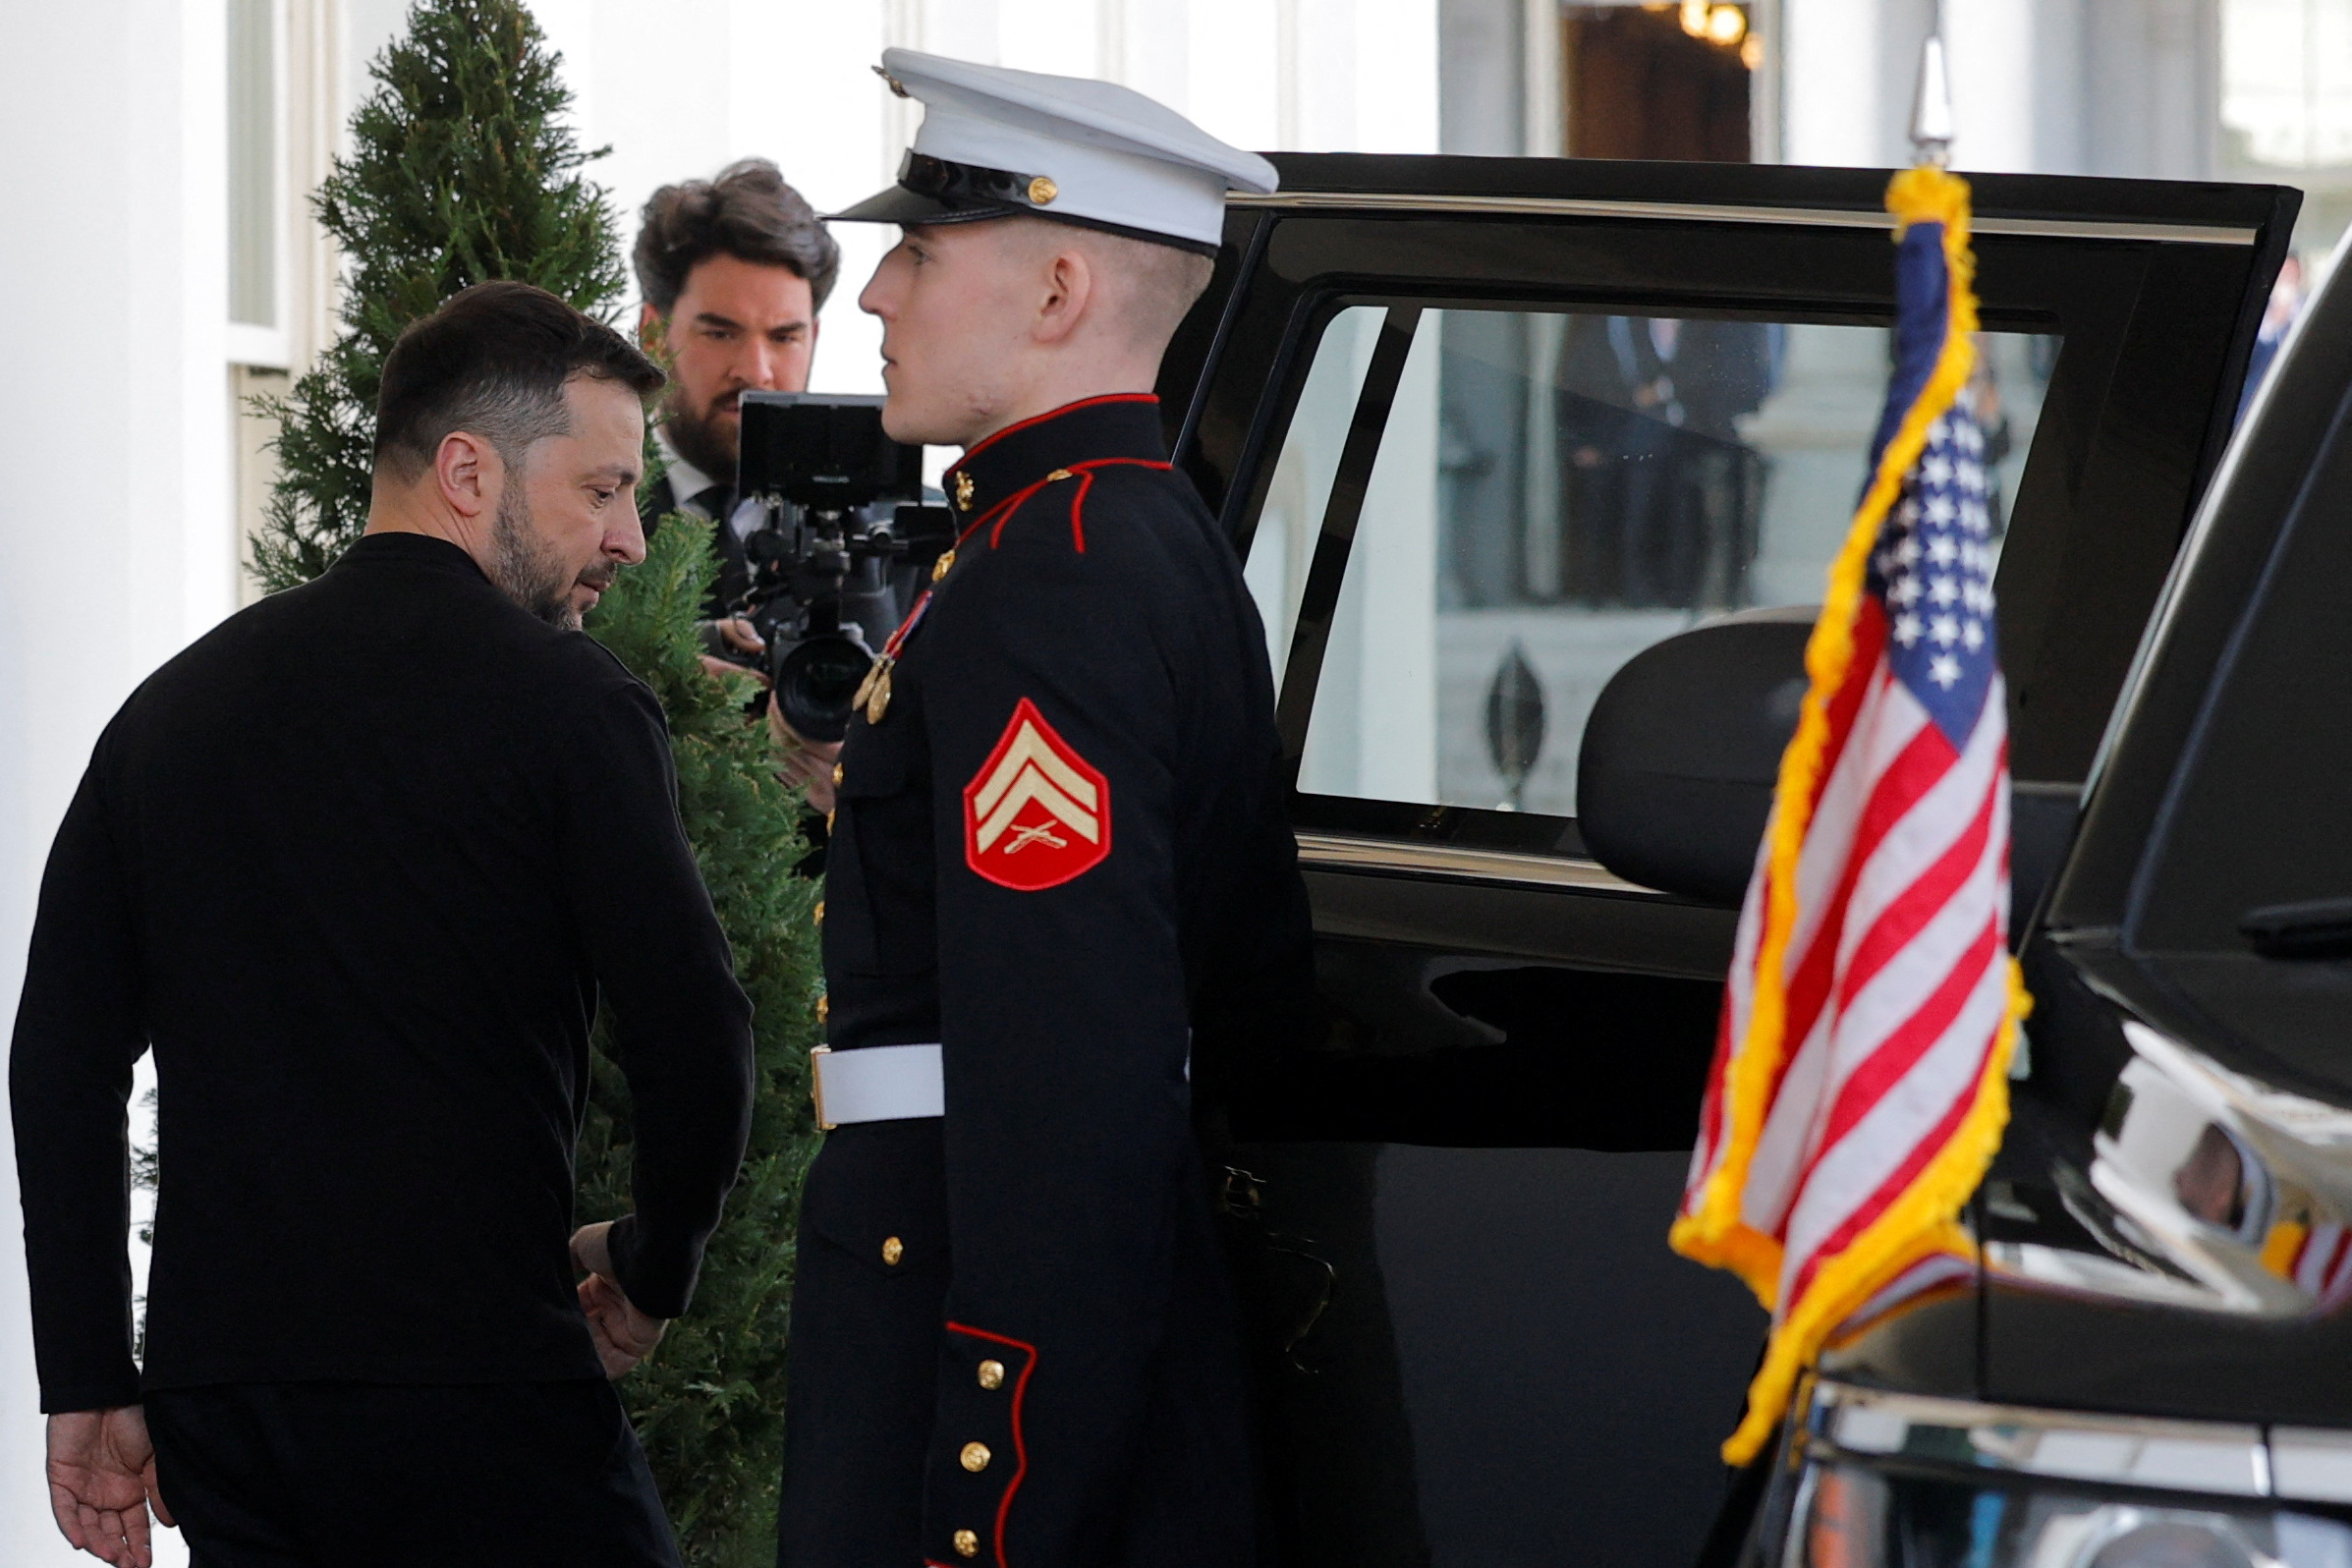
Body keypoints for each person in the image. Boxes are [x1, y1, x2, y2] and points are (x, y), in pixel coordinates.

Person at [12, 281, 756, 1568]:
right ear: (468, 471)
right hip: (482, 1388)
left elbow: (60, 1063)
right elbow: (697, 1036)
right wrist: (650, 1266)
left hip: (231, 1408)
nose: (630, 538)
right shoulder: (572, 709)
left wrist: (89, 1378)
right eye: (600, 489)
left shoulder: (171, 714)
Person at [773, 49, 1316, 1568]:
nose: (873, 297)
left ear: (1059, 288)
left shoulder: (1046, 575)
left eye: (919, 251)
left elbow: (1067, 1085)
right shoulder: (1121, 534)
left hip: (970, 1333)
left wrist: (992, 1492)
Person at [632, 158, 841, 668]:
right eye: (721, 333)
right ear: (653, 336)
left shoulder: (903, 535)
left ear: (813, 338)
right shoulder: (583, 517)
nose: (756, 372)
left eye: (784, 337)